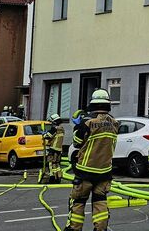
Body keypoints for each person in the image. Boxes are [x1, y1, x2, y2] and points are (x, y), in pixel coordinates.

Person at [64, 89, 118, 231]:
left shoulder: (87, 123)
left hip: (85, 171)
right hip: (105, 172)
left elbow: (76, 142)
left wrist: (78, 126)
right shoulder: (115, 123)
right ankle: (101, 229)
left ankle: (74, 228)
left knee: (78, 202)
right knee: (100, 203)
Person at [42, 113, 65, 184]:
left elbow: (47, 136)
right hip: (59, 149)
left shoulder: (54, 129)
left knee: (51, 163)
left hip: (53, 149)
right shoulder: (62, 129)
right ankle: (58, 177)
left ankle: (52, 178)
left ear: (54, 122)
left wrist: (44, 134)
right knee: (57, 164)